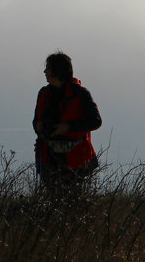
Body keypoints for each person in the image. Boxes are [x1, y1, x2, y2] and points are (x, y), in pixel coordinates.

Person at [33, 51, 102, 195]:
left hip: (75, 158)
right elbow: (35, 121)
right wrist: (38, 126)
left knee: (72, 197)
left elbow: (96, 121)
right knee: (53, 197)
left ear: (57, 71)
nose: (45, 71)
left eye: (48, 68)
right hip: (48, 155)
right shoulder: (43, 94)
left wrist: (68, 128)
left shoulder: (80, 94)